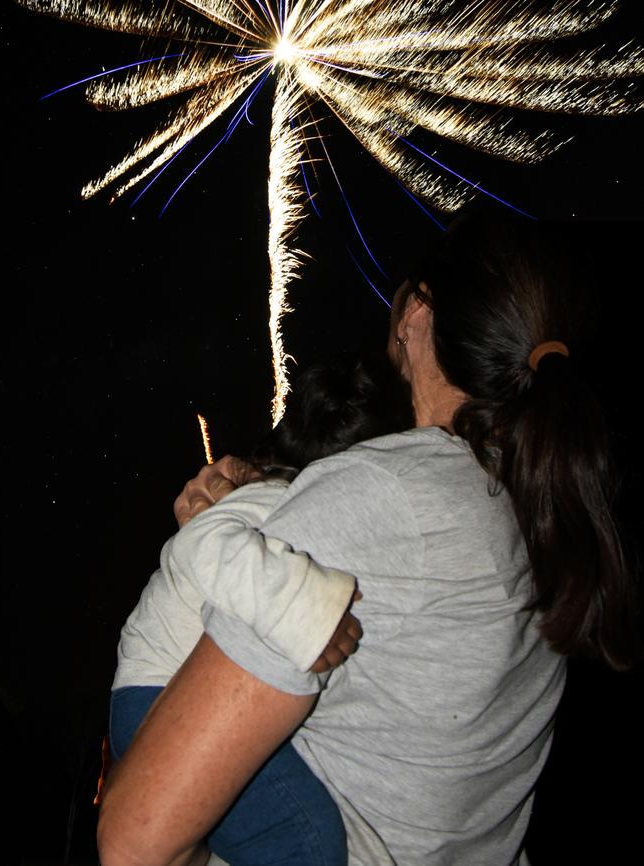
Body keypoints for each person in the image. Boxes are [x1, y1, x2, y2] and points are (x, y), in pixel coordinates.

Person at [98, 212, 638, 866]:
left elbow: (138, 841)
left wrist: (240, 537)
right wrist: (255, 522)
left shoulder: (377, 493)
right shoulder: (541, 501)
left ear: (415, 314)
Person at [107, 352, 414, 866]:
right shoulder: (274, 501)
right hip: (156, 696)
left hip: (154, 696)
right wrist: (306, 611)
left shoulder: (275, 495)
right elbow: (200, 543)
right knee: (307, 840)